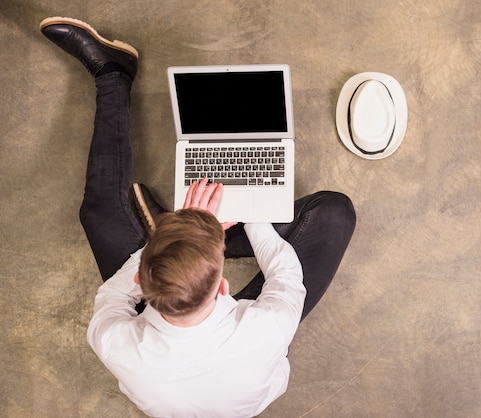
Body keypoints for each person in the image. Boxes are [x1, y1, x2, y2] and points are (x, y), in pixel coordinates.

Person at [40, 16, 356, 417]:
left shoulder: (117, 344)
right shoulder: (267, 330)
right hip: (247, 346)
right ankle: (199, 233)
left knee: (97, 212)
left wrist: (185, 234)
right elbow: (284, 275)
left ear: (141, 278)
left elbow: (113, 296)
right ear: (223, 287)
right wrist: (246, 211)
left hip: (171, 282)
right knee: (335, 212)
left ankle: (112, 73)